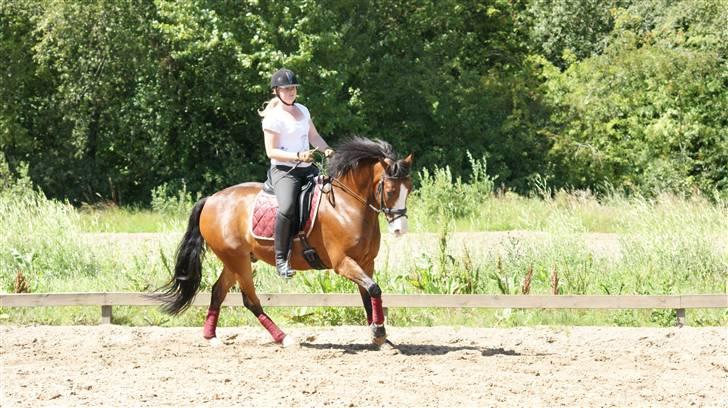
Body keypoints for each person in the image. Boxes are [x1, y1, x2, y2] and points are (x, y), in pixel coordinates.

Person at [259, 68, 334, 278]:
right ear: (277, 91)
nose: (291, 92)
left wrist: (326, 149)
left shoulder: (303, 109)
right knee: (288, 207)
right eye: (286, 89)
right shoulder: (273, 118)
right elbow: (270, 151)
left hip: (306, 168)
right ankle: (281, 259)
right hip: (284, 171)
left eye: (293, 88)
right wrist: (297, 155)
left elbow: (314, 136)